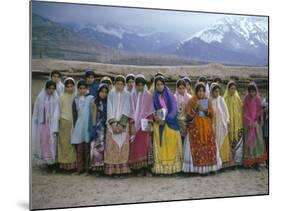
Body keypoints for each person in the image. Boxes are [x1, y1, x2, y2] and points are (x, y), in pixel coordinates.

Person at [182, 82, 222, 174]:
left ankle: (209, 167)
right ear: (196, 91)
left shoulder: (207, 100)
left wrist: (206, 111)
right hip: (195, 127)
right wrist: (195, 108)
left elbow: (212, 115)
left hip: (207, 127)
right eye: (199, 91)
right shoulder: (192, 101)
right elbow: (188, 116)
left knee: (209, 146)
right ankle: (197, 169)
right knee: (196, 146)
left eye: (202, 91)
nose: (201, 93)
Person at [152, 75, 183, 174]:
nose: (160, 86)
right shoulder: (154, 96)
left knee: (172, 143)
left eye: (161, 84)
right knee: (161, 145)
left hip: (170, 123)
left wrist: (166, 119)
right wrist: (156, 117)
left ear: (164, 85)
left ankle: (174, 169)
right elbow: (152, 110)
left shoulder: (170, 95)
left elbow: (174, 109)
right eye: (158, 84)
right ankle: (161, 169)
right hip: (159, 124)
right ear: (155, 85)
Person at [104, 75, 131, 176]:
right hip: (112, 125)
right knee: (112, 147)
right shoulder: (111, 94)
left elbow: (127, 108)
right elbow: (109, 109)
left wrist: (121, 125)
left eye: (121, 84)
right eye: (117, 84)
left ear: (124, 85)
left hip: (123, 125)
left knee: (123, 148)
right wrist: (113, 124)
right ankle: (113, 170)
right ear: (115, 84)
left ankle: (122, 170)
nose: (119, 86)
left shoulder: (127, 95)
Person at [128, 74, 155, 176]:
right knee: (136, 147)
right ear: (135, 86)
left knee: (146, 146)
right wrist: (131, 124)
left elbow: (150, 111)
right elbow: (130, 111)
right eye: (138, 85)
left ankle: (146, 169)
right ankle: (139, 169)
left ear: (144, 85)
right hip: (135, 126)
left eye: (142, 85)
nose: (140, 87)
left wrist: (150, 123)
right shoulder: (132, 96)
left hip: (145, 126)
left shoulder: (148, 96)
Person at [32, 80, 60, 172]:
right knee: (44, 143)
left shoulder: (56, 98)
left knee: (53, 143)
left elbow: (57, 113)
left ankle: (54, 163)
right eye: (49, 88)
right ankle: (47, 163)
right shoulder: (40, 98)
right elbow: (36, 111)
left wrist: (55, 125)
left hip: (53, 125)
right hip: (43, 125)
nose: (51, 90)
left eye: (53, 88)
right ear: (46, 88)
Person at [242, 82, 267, 171]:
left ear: (256, 91)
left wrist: (255, 121)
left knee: (257, 142)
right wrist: (249, 121)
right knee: (249, 143)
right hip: (248, 124)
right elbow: (244, 111)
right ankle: (249, 162)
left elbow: (259, 111)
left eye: (253, 91)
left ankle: (257, 163)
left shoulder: (258, 99)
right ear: (248, 91)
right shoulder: (246, 99)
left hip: (256, 125)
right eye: (250, 91)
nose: (252, 93)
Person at [71, 80, 93, 175]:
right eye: (80, 88)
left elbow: (93, 113)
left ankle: (87, 170)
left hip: (87, 126)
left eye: (84, 88)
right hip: (79, 127)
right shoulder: (75, 100)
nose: (82, 90)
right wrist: (75, 127)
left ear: (87, 89)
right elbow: (75, 115)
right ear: (78, 89)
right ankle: (79, 169)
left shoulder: (91, 98)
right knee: (79, 149)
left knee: (87, 149)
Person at [210, 83, 233, 168]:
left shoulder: (221, 99)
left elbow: (226, 111)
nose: (217, 93)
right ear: (212, 92)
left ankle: (223, 162)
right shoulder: (209, 100)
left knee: (222, 140)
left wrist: (227, 120)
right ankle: (216, 161)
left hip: (221, 124)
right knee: (215, 141)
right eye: (215, 91)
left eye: (218, 91)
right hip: (213, 124)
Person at [57, 77, 77, 171]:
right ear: (65, 87)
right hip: (64, 122)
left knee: (72, 144)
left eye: (71, 86)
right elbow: (58, 110)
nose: (70, 88)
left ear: (74, 86)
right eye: (68, 86)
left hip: (75, 123)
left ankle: (73, 166)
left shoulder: (77, 96)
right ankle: (64, 166)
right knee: (64, 144)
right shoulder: (61, 97)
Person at [89, 83, 109, 172]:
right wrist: (93, 127)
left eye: (105, 92)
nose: (103, 94)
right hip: (97, 128)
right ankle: (96, 167)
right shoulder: (94, 102)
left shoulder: (108, 102)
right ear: (98, 92)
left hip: (106, 127)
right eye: (102, 92)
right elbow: (92, 116)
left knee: (104, 147)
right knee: (96, 148)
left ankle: (103, 167)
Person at [224, 81, 243, 166]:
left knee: (237, 142)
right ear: (228, 89)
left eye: (235, 89)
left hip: (237, 124)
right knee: (229, 142)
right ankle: (230, 163)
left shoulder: (237, 98)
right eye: (231, 88)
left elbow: (240, 110)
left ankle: (237, 162)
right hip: (228, 124)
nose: (233, 90)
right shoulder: (225, 99)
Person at [262, 96, 269, 167]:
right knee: (267, 143)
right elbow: (262, 107)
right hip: (266, 125)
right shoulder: (265, 99)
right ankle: (267, 162)